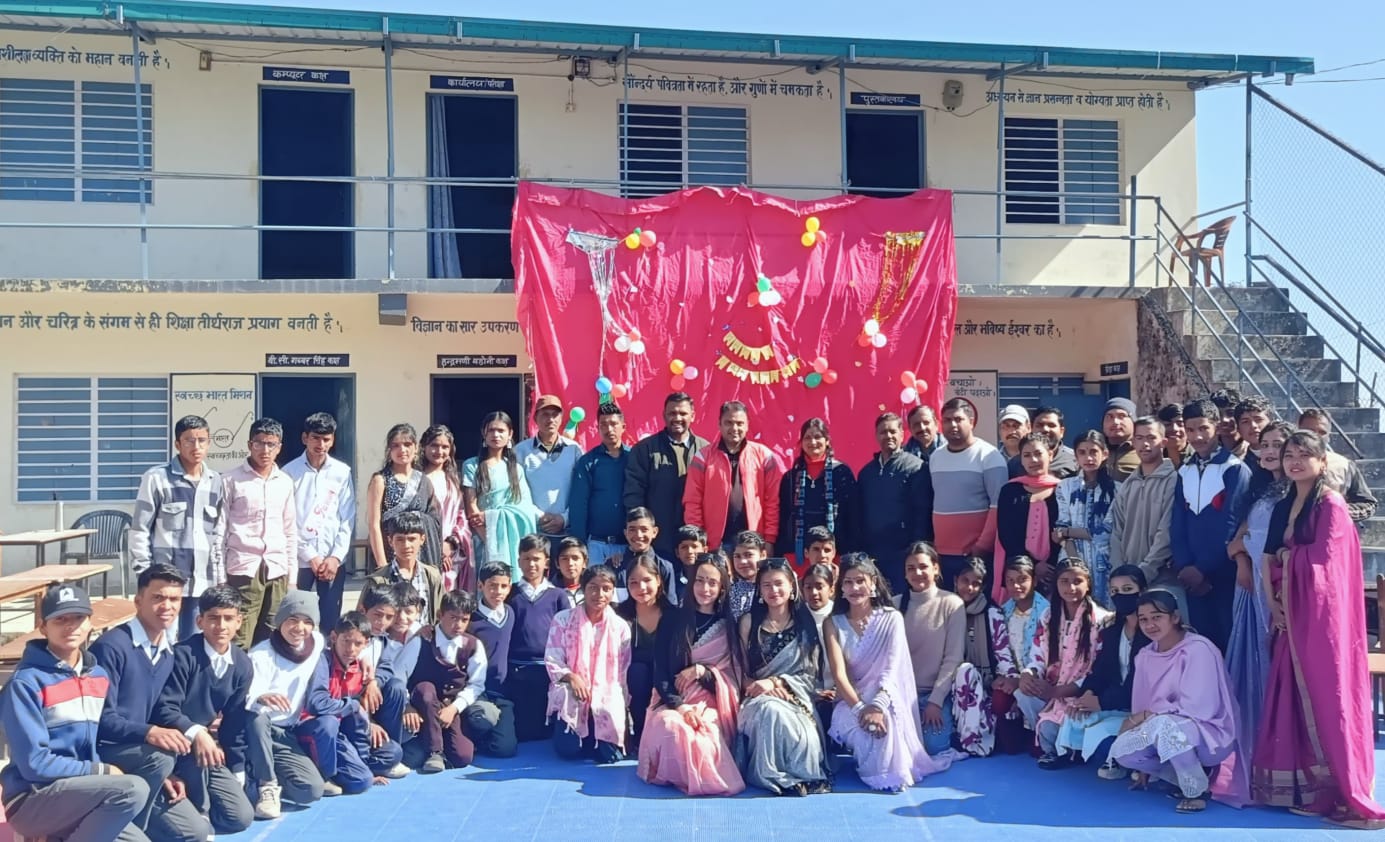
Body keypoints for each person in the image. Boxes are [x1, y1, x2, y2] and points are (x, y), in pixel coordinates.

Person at [1252, 430, 1385, 827]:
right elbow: (1268, 558)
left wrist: (1288, 558)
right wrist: (1274, 603)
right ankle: (1306, 789)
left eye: (1303, 455)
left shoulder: (1331, 505)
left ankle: (1343, 793)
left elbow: (1327, 567)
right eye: (1289, 454)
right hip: (1289, 616)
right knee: (1291, 697)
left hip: (1322, 623)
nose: (1294, 461)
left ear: (1322, 461)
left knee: (1329, 698)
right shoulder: (1284, 504)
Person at [0, 583, 152, 842]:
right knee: (132, 789)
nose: (70, 626)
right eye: (60, 619)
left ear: (90, 623)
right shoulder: (25, 683)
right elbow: (35, 764)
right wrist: (103, 771)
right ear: (43, 627)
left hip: (81, 793)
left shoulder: (98, 675)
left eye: (78, 618)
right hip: (32, 798)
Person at [90, 564, 210, 842]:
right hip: (106, 752)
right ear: (138, 601)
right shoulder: (111, 647)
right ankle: (123, 832)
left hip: (141, 758)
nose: (167, 606)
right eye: (158, 597)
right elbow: (100, 720)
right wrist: (150, 733)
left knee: (195, 832)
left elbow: (158, 712)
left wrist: (165, 773)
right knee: (160, 756)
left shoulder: (167, 653)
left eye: (174, 599)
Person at [1112, 590, 1247, 814]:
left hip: (1208, 733)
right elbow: (1141, 703)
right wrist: (1141, 729)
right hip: (1162, 727)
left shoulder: (1198, 649)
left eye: (1157, 617)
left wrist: (1149, 717)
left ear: (1175, 617)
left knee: (1164, 726)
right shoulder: (1145, 655)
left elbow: (1199, 706)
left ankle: (1196, 792)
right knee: (1123, 750)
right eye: (1143, 619)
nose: (1150, 625)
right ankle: (1180, 777)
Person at [825, 554, 951, 791]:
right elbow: (839, 675)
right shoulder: (833, 623)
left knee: (886, 728)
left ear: (873, 583)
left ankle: (889, 774)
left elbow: (892, 668)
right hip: (851, 701)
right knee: (865, 733)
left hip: (887, 697)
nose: (855, 588)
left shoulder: (891, 619)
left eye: (860, 581)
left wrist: (878, 706)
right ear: (841, 587)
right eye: (848, 582)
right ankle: (875, 772)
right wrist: (861, 709)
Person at [638, 552, 746, 796]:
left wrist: (704, 672)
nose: (705, 589)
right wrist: (680, 706)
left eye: (712, 583)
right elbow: (661, 671)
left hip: (711, 703)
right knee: (672, 727)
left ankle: (699, 778)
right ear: (691, 582)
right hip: (672, 700)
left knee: (703, 736)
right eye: (700, 580)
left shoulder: (728, 625)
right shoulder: (673, 619)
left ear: (722, 587)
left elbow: (733, 676)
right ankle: (680, 774)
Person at [152, 586, 254, 834]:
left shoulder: (242, 664)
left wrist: (237, 767)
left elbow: (234, 722)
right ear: (200, 621)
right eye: (213, 618)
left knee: (240, 818)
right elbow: (164, 708)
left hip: (204, 749)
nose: (221, 626)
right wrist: (196, 732)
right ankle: (197, 812)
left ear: (239, 621)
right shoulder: (182, 656)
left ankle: (197, 803)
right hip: (172, 745)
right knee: (198, 829)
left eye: (228, 618)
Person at [734, 558, 832, 796]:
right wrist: (759, 686)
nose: (773, 590)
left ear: (791, 587)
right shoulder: (749, 623)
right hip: (756, 699)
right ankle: (771, 776)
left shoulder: (805, 625)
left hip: (795, 697)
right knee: (771, 710)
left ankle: (803, 776)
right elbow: (738, 671)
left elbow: (811, 676)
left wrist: (778, 682)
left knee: (801, 730)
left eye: (779, 584)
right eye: (766, 585)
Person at [1225, 420, 1291, 766]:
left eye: (1278, 445)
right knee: (1250, 664)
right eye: (1264, 444)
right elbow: (1236, 540)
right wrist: (1241, 561)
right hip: (1250, 585)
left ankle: (1282, 749)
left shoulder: (1297, 494)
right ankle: (1253, 749)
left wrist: (1249, 551)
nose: (1269, 451)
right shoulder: (1261, 491)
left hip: (1278, 587)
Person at [131, 414, 225, 641]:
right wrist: (144, 574)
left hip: (202, 582)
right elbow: (139, 529)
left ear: (209, 443)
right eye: (189, 440)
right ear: (177, 444)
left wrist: (219, 578)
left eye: (202, 440)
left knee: (193, 645)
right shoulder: (156, 478)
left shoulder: (215, 481)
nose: (196, 446)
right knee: (162, 642)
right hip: (165, 582)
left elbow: (217, 534)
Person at [1053, 565, 1149, 779]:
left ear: (1142, 591)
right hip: (1116, 704)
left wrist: (1102, 702)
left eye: (1127, 589)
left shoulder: (1152, 633)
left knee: (1101, 735)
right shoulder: (1112, 631)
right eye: (1114, 591)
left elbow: (1143, 684)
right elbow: (1101, 671)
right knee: (1074, 720)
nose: (1120, 596)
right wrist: (1088, 694)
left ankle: (1136, 763)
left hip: (1143, 707)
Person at [1016, 558, 1112, 770]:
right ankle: (1051, 746)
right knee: (1023, 693)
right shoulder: (1048, 616)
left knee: (1060, 729)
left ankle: (1065, 747)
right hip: (1052, 689)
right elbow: (1037, 656)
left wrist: (1060, 691)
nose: (1071, 588)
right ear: (1056, 584)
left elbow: (1098, 671)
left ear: (1088, 584)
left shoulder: (1102, 620)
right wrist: (1028, 674)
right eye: (1064, 581)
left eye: (1077, 581)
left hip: (1082, 693)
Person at [1172, 399, 1251, 652]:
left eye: (1203, 428)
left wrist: (1203, 568)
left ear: (1216, 426)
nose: (1197, 436)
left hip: (1223, 572)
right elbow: (1177, 521)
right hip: (1191, 577)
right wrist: (1185, 565)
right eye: (1190, 429)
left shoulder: (1234, 469)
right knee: (1201, 643)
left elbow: (1231, 522)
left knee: (1228, 640)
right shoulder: (1184, 470)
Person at [242, 591, 328, 816]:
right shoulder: (261, 654)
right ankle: (266, 784)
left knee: (311, 790)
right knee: (257, 717)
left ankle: (257, 769)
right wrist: (262, 696)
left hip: (287, 734)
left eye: (307, 621)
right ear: (280, 620)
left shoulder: (316, 643)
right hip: (259, 732)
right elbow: (249, 696)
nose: (299, 628)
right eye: (293, 619)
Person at [301, 612, 405, 793]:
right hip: (318, 728)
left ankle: (358, 767)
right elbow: (317, 704)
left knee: (393, 752)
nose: (350, 649)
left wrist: (369, 722)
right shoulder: (323, 661)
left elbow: (356, 711)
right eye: (346, 641)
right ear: (334, 637)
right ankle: (326, 774)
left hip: (343, 729)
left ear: (366, 644)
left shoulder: (359, 668)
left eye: (358, 644)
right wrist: (353, 706)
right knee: (360, 781)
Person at [220, 417, 298, 649]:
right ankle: (238, 673)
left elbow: (290, 531)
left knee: (272, 635)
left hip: (277, 569)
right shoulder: (230, 480)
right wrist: (220, 577)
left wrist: (292, 578)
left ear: (279, 447)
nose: (265, 450)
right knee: (240, 636)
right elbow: (219, 532)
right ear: (249, 445)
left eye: (271, 444)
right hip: (243, 568)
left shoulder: (285, 482)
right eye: (259, 443)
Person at [546, 564, 633, 763]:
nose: (599, 594)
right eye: (593, 587)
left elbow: (623, 671)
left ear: (612, 591)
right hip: (573, 692)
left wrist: (622, 707)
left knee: (610, 756)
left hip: (606, 694)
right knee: (568, 750)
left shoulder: (620, 627)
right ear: (583, 589)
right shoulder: (563, 619)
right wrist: (571, 677)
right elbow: (552, 658)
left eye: (606, 589)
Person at [283, 412, 355, 632]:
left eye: (326, 439)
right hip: (300, 560)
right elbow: (287, 521)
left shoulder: (342, 472)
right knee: (296, 618)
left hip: (332, 562)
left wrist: (335, 557)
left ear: (332, 440)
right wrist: (310, 555)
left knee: (331, 621)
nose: (321, 445)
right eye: (315, 438)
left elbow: (347, 517)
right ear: (305, 438)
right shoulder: (288, 473)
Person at [894, 542, 965, 758]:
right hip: (902, 695)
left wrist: (935, 701)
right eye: (911, 568)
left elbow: (953, 658)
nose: (917, 573)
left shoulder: (952, 604)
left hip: (935, 696)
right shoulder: (894, 605)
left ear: (936, 568)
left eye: (923, 566)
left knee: (934, 749)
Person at [684, 400, 783, 554]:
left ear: (747, 425)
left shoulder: (764, 456)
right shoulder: (702, 457)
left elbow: (773, 501)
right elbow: (692, 501)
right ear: (719, 424)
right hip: (715, 544)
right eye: (728, 423)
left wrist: (769, 539)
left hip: (754, 543)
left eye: (739, 423)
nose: (734, 428)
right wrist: (697, 540)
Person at [930, 398, 1008, 590]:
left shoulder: (989, 456)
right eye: (947, 420)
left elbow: (998, 506)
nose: (952, 425)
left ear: (971, 422)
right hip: (942, 554)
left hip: (975, 555)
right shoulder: (936, 457)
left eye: (958, 419)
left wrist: (982, 546)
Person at [405, 591, 485, 773]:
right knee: (425, 690)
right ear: (440, 614)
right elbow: (401, 675)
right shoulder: (422, 639)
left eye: (464, 619)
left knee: (462, 757)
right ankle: (435, 752)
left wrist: (454, 708)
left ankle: (442, 742)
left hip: (450, 707)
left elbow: (477, 684)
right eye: (453, 618)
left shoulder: (473, 645)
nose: (459, 625)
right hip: (422, 705)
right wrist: (406, 705)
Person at [625, 392, 711, 561]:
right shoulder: (644, 449)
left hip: (693, 546)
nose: (677, 418)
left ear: (693, 416)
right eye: (672, 413)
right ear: (664, 415)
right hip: (657, 544)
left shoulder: (706, 450)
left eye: (683, 413)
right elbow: (633, 496)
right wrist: (641, 534)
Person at [948, 555, 1019, 757]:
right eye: (965, 581)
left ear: (983, 587)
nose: (969, 588)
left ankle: (972, 740)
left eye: (976, 584)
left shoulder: (991, 613)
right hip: (947, 685)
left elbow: (1002, 652)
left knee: (966, 672)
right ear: (955, 580)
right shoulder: (945, 609)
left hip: (983, 684)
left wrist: (1010, 679)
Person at [503, 534, 571, 742]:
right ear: (518, 561)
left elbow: (568, 633)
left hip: (548, 670)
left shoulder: (558, 595)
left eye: (536, 559)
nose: (531, 564)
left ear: (547, 562)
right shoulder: (510, 593)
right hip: (517, 668)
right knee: (523, 732)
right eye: (526, 559)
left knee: (546, 731)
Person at [854, 413, 929, 594]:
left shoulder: (916, 467)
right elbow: (859, 513)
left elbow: (922, 512)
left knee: (900, 600)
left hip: (903, 552)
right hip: (872, 553)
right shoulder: (866, 473)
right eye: (883, 432)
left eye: (893, 431)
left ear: (902, 435)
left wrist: (916, 549)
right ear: (876, 436)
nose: (888, 436)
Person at [462, 412, 540, 581]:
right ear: (484, 433)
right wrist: (489, 539)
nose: (496, 435)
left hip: (510, 539)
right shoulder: (471, 465)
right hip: (481, 537)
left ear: (510, 434)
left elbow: (524, 508)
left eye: (501, 431)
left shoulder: (516, 469)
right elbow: (472, 508)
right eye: (491, 430)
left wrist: (490, 517)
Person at [1109, 418, 1180, 603]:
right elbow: (1116, 532)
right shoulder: (1128, 484)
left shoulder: (1173, 480)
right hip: (1127, 582)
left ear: (1163, 442)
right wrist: (1121, 573)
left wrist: (1144, 572)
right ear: (1133, 442)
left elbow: (1166, 532)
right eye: (1139, 438)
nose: (1145, 444)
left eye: (1151, 437)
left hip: (1162, 578)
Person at [615, 553, 677, 749]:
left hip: (667, 675)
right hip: (635, 678)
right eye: (633, 583)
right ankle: (640, 734)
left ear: (658, 580)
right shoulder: (620, 615)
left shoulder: (674, 614)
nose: (641, 588)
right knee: (638, 671)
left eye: (647, 580)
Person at [777, 418, 857, 565]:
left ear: (827, 441)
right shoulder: (790, 477)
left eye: (817, 437)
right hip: (798, 554)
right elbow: (784, 517)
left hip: (835, 553)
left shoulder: (841, 473)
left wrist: (849, 552)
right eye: (807, 437)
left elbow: (852, 515)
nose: (813, 442)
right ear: (801, 443)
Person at [993, 432, 1061, 602]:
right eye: (1027, 455)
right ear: (1021, 459)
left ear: (1050, 455)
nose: (1033, 460)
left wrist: (1049, 565)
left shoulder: (1063, 489)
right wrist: (1033, 565)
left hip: (1055, 570)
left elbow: (1064, 531)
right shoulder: (1010, 490)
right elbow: (1006, 533)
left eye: (1038, 453)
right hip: (1018, 569)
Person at [1053, 431, 1117, 607]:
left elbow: (1105, 531)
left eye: (1093, 452)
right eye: (1082, 452)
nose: (1088, 458)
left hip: (1104, 560)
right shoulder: (1065, 486)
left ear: (1105, 454)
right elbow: (1060, 528)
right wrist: (1076, 563)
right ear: (1075, 455)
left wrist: (1067, 532)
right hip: (1070, 557)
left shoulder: (1117, 490)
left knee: (1103, 610)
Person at [366, 423, 442, 570]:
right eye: (396, 445)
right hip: (390, 553)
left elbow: (435, 519)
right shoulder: (380, 480)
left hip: (419, 556)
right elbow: (374, 525)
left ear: (416, 448)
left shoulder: (424, 481)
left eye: (407, 444)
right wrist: (382, 565)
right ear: (389, 450)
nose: (402, 450)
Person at [515, 394, 582, 556]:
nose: (550, 419)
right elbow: (517, 492)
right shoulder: (520, 451)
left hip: (567, 534)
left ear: (561, 418)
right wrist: (540, 516)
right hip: (533, 532)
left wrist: (564, 518)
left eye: (555, 415)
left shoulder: (574, 450)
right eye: (545, 414)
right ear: (535, 418)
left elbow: (581, 491)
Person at [466, 562, 520, 758]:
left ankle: (485, 739)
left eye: (504, 586)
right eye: (492, 586)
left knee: (506, 748)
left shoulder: (510, 613)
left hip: (502, 693)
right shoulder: (470, 619)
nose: (498, 591)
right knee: (483, 718)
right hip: (477, 691)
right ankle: (468, 733)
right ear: (480, 585)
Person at [996, 556, 1048, 752]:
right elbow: (999, 650)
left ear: (1034, 581)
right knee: (999, 700)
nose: (1016, 586)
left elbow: (1047, 657)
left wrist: (1023, 680)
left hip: (1036, 679)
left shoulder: (1047, 612)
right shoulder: (1003, 611)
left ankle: (1039, 732)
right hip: (1011, 677)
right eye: (1010, 581)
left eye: (1022, 579)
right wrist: (1006, 677)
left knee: (1036, 751)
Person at [569, 402, 631, 566]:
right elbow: (578, 504)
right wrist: (579, 545)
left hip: (629, 544)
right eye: (603, 424)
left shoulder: (634, 458)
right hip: (596, 545)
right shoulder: (588, 462)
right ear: (597, 428)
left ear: (623, 427)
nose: (609, 429)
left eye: (614, 424)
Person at [1297, 408, 1378, 523]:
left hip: (1330, 530)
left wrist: (1337, 510)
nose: (1316, 436)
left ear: (1329, 436)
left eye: (1322, 432)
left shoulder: (1344, 465)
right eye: (1310, 431)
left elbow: (1368, 504)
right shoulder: (1283, 462)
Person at [363, 511, 444, 626]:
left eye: (412, 539)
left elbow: (441, 614)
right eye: (400, 539)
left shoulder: (432, 576)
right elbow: (362, 621)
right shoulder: (378, 580)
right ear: (390, 541)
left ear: (422, 539)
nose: (406, 545)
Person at [420, 424, 470, 591]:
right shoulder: (416, 479)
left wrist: (450, 544)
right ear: (424, 447)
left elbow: (461, 515)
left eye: (444, 447)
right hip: (422, 549)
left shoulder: (454, 480)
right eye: (434, 445)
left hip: (452, 553)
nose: (439, 451)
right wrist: (435, 548)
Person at [609, 507, 680, 604]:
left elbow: (670, 604)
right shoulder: (614, 565)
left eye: (644, 529)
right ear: (625, 533)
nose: (639, 535)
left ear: (654, 532)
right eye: (632, 530)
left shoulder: (664, 567)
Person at [1007, 407, 1078, 480]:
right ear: (1031, 429)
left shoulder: (1076, 460)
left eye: (1051, 425)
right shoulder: (1015, 464)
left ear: (1061, 431)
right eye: (1039, 425)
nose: (1045, 429)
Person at [728, 530, 767, 620]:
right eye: (737, 556)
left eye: (748, 555)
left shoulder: (770, 587)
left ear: (763, 555)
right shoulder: (729, 589)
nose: (743, 561)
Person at [1102, 398, 1140, 481]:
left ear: (1133, 421)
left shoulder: (1144, 451)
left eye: (1122, 416)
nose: (1115, 422)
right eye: (1109, 417)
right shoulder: (1095, 451)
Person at [1233, 396, 1274, 473]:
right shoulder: (1238, 466)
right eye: (1245, 422)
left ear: (1271, 422)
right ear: (1238, 429)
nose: (1253, 425)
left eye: (1258, 420)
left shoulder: (1286, 456)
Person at [1209, 388, 1247, 460]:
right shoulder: (1206, 452)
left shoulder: (1254, 450)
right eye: (1218, 414)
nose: (1224, 419)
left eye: (1230, 413)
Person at [673, 524, 708, 594]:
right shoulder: (672, 581)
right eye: (684, 547)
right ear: (677, 552)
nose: (689, 551)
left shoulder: (713, 577)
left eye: (694, 546)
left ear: (705, 550)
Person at [552, 537, 589, 604]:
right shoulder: (548, 592)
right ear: (557, 563)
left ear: (585, 562)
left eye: (575, 558)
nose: (570, 563)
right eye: (565, 559)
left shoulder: (592, 589)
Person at [1158, 404, 1193, 470]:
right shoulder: (1154, 461)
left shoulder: (1200, 457)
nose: (1174, 428)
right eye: (1167, 424)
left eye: (1180, 424)